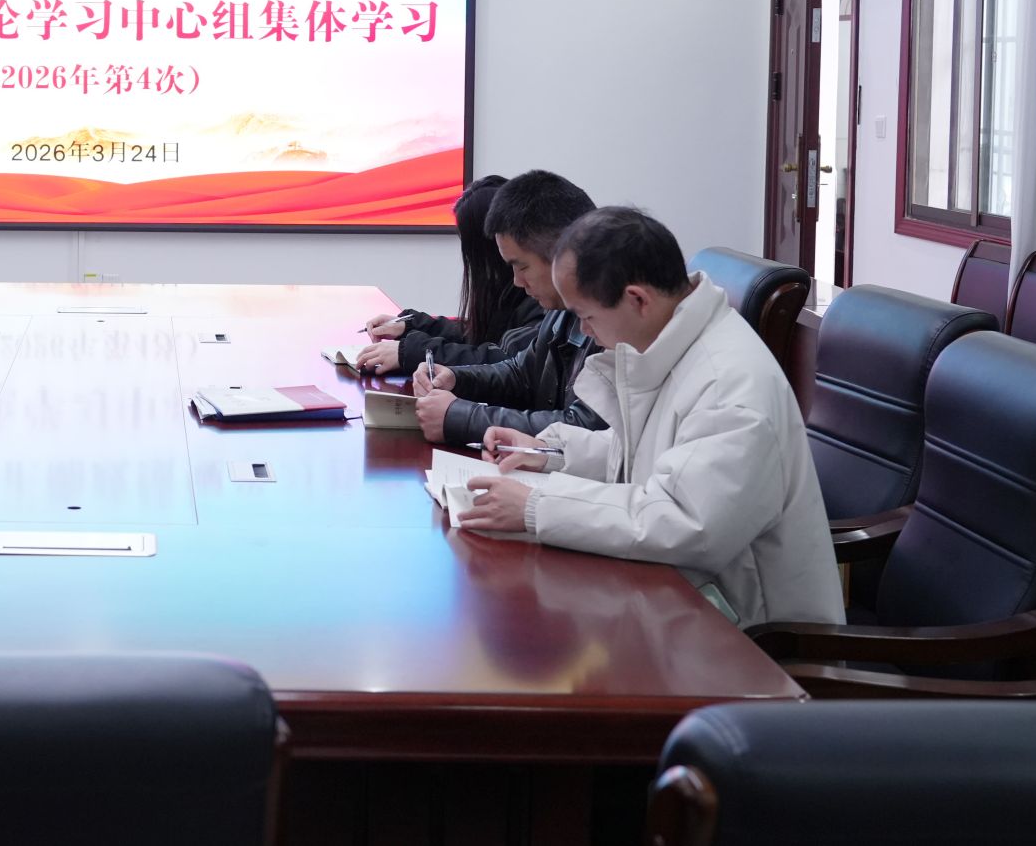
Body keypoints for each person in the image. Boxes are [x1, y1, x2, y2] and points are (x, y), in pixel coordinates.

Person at [460, 207, 845, 629]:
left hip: (752, 639)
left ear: (637, 299)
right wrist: (549, 453)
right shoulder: (675, 341)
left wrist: (538, 507)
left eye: (586, 316)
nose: (584, 332)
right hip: (682, 598)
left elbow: (684, 523)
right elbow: (651, 453)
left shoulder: (729, 388)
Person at [409, 170, 608, 447]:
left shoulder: (615, 318)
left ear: (563, 253)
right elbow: (522, 373)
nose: (516, 281)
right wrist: (455, 378)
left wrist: (460, 417)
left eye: (522, 266)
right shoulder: (561, 308)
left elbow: (584, 428)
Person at [356, 174, 543, 374]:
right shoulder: (506, 287)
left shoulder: (540, 296)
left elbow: (504, 359)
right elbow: (478, 335)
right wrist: (411, 325)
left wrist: (413, 352)